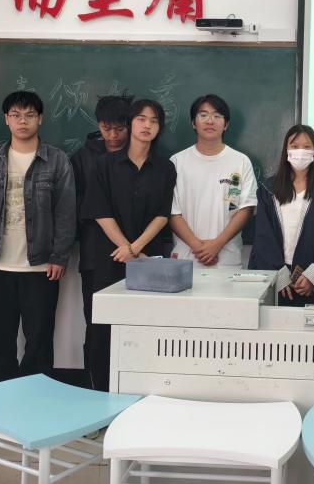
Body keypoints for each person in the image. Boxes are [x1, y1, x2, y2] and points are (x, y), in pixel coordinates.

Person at [0, 91, 76, 384]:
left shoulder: (57, 160)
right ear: (6, 120)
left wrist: (59, 256)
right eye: (16, 115)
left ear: (40, 119)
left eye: (29, 115)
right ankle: (2, 397)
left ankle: (33, 398)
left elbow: (66, 213)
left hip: (41, 267)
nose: (22, 121)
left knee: (39, 341)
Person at [81, 99, 176, 390]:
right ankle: (99, 395)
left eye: (154, 121)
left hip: (148, 260)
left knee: (145, 328)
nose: (147, 125)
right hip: (107, 258)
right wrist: (127, 248)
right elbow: (100, 212)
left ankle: (141, 392)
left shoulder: (165, 168)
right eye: (141, 119)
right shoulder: (104, 165)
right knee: (102, 331)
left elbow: (163, 214)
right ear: (130, 124)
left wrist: (135, 250)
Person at [70, 95, 133, 390]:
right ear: (98, 125)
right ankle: (95, 388)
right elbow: (73, 204)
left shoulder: (141, 154)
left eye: (120, 129)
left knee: (132, 324)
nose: (113, 136)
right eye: (107, 129)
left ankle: (128, 386)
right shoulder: (82, 158)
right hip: (95, 255)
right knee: (97, 324)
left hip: (135, 252)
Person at [249, 124, 314, 306]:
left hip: (310, 279)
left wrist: (313, 276)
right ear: (286, 150)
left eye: (307, 147)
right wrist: (278, 274)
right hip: (276, 277)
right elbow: (263, 236)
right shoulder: (268, 190)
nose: (300, 152)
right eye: (295, 146)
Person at [169, 94, 257, 267]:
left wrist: (217, 245)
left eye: (217, 116)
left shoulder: (240, 161)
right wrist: (198, 247)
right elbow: (172, 211)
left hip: (227, 260)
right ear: (193, 123)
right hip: (186, 259)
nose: (210, 121)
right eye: (203, 115)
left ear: (226, 124)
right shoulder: (177, 162)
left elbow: (246, 208)